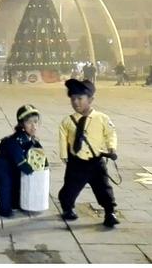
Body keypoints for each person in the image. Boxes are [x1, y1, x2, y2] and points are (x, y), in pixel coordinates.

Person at [58, 79, 120, 228]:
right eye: (73, 99)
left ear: (91, 99)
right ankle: (67, 208)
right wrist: (64, 156)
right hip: (76, 162)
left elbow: (111, 133)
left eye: (80, 98)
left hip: (96, 161)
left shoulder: (102, 118)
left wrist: (111, 147)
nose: (76, 102)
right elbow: (62, 138)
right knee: (70, 188)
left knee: (103, 188)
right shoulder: (67, 121)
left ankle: (110, 212)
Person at [0, 104, 45, 217]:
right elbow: (20, 161)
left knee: (17, 185)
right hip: (2, 166)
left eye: (35, 122)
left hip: (14, 166)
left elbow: (39, 153)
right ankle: (4, 210)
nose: (33, 126)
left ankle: (15, 204)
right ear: (21, 124)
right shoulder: (15, 140)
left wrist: (44, 166)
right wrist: (33, 171)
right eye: (29, 122)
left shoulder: (32, 139)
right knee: (5, 187)